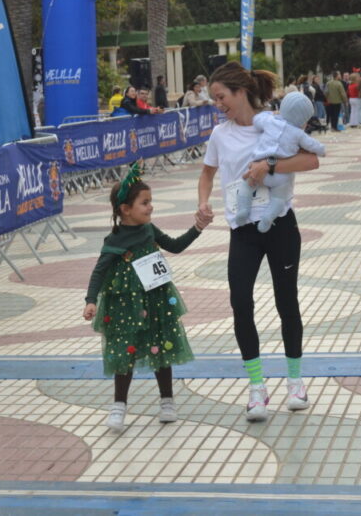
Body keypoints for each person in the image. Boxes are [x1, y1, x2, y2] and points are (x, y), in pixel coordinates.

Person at [198, 61, 320, 421]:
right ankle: (256, 388)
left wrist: (270, 167)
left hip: (280, 225)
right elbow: (206, 174)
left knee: (287, 301)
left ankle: (295, 383)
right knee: (240, 302)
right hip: (243, 231)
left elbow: (311, 160)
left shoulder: (275, 123)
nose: (218, 104)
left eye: (221, 96)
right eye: (214, 98)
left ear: (240, 92)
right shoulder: (219, 135)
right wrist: (202, 203)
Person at [82, 162, 210, 432]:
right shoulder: (115, 240)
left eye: (150, 201)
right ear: (125, 209)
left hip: (156, 301)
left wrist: (197, 228)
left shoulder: (150, 230)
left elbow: (175, 245)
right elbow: (98, 271)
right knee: (124, 351)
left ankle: (167, 401)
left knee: (160, 347)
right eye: (144, 203)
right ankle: (119, 406)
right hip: (125, 306)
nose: (151, 207)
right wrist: (90, 300)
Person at [233, 92, 326, 232]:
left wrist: (271, 114)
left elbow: (257, 120)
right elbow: (313, 145)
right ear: (303, 121)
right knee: (278, 199)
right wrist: (322, 150)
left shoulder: (270, 121)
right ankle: (268, 218)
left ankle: (243, 210)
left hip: (258, 169)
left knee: (246, 187)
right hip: (281, 177)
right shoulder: (298, 134)